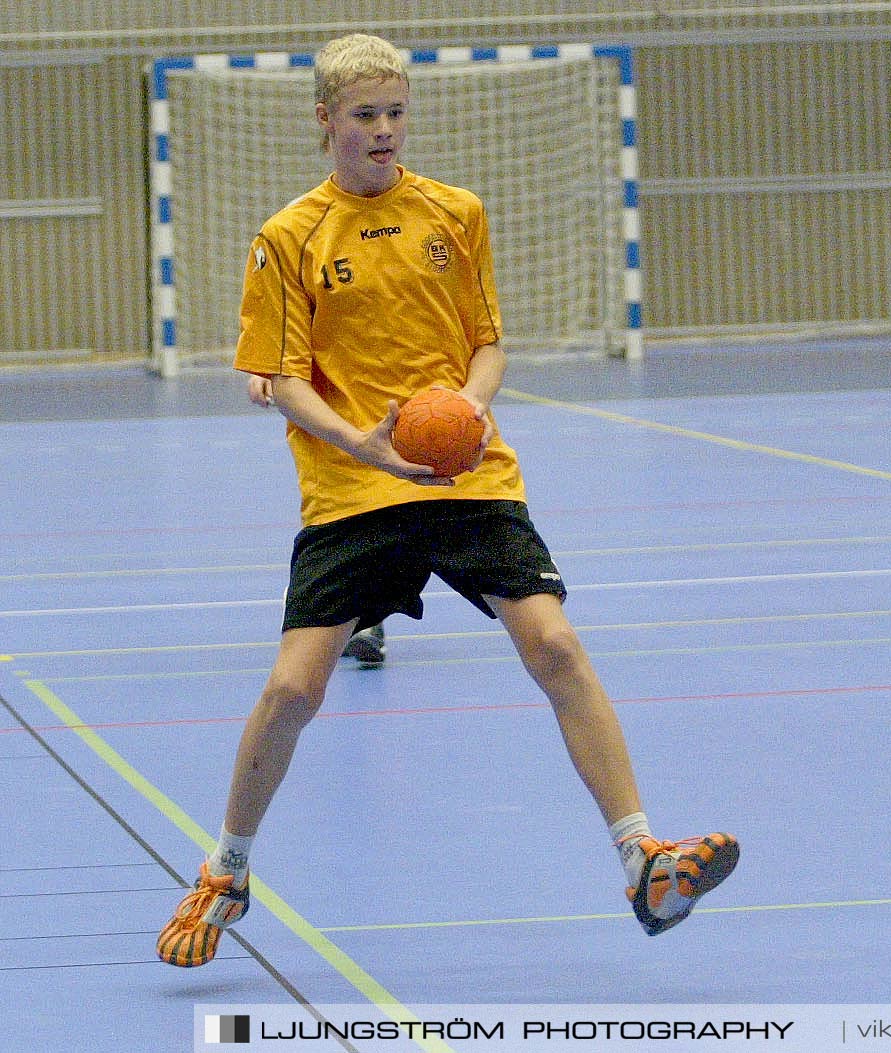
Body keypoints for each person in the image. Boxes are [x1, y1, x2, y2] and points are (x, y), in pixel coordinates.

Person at [157, 33, 737, 969]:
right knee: (293, 688)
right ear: (326, 121)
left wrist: (466, 406)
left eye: (395, 113)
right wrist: (362, 440)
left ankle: (641, 856)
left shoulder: (456, 213)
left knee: (554, 644)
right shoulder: (289, 237)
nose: (384, 131)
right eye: (364, 116)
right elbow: (281, 377)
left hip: (469, 478)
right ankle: (226, 867)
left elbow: (488, 343)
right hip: (353, 486)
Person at [249, 374, 387, 667]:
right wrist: (264, 371)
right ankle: (318, 604)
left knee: (373, 514)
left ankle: (364, 622)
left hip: (374, 403)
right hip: (324, 416)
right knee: (336, 515)